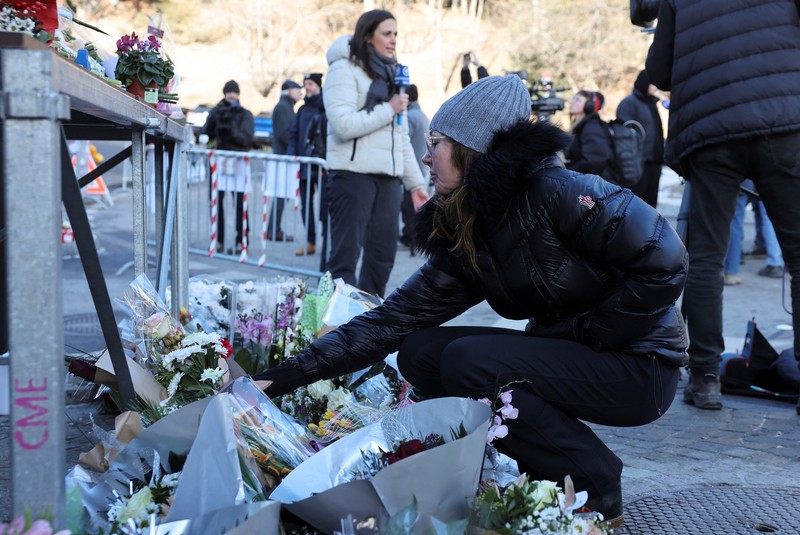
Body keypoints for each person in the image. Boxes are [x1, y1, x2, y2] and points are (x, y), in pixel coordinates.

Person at [254, 75, 689, 526]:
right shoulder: (475, 225)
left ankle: (596, 481)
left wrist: (592, 332)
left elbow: (668, 260)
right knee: (421, 351)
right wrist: (273, 382)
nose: (426, 156)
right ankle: (535, 470)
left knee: (470, 360)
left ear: (471, 148)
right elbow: (392, 321)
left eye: (436, 142)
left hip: (639, 365)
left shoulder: (558, 192)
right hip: (582, 354)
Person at [646, 0, 800, 411]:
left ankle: (706, 377)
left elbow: (659, 72)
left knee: (707, 261)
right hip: (783, 122)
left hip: (711, 133)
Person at [321, 9, 430, 297]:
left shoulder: (393, 76)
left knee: (382, 257)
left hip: (388, 180)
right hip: (351, 175)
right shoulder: (342, 69)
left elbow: (400, 137)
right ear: (368, 36)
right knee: (344, 259)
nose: (393, 40)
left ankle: (366, 327)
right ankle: (332, 332)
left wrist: (416, 185)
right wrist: (389, 108)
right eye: (386, 33)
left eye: (396, 33)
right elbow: (343, 125)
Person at [202, 79, 255, 254]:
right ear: (224, 93)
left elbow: (247, 139)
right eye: (229, 92)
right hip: (219, 163)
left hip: (238, 162)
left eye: (234, 92)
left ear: (238, 94)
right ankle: (219, 240)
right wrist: (213, 119)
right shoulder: (217, 112)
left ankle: (242, 240)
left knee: (240, 204)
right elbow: (205, 133)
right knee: (217, 203)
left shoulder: (245, 114)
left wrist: (232, 130)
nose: (232, 95)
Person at [288, 73, 326, 257]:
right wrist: (291, 158)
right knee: (306, 205)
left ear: (318, 86)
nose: (307, 87)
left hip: (322, 165)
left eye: (310, 84)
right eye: (305, 84)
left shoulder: (325, 107)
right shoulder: (302, 110)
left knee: (325, 206)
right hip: (304, 164)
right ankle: (311, 241)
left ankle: (327, 241)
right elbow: (294, 135)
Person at [616, 69, 664, 208]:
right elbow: (623, 135)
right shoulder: (629, 103)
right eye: (653, 83)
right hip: (636, 165)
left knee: (650, 207)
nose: (656, 87)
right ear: (645, 83)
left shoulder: (652, 104)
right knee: (634, 206)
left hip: (654, 162)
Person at [267, 79, 303, 242]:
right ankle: (273, 230)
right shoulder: (283, 107)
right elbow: (284, 134)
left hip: (286, 157)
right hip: (283, 157)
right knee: (281, 195)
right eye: (298, 90)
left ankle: (274, 229)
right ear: (289, 91)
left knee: (283, 195)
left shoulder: (287, 107)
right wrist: (297, 146)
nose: (300, 93)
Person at [398, 84, 430, 254]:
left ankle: (410, 236)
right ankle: (410, 235)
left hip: (412, 167)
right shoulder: (422, 114)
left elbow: (403, 141)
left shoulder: (409, 117)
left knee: (408, 205)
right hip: (421, 166)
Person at [564, 90, 615, 181]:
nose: (571, 102)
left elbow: (593, 161)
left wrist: (567, 172)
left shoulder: (592, 127)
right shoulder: (582, 125)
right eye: (573, 98)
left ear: (589, 106)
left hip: (597, 186)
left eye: (578, 100)